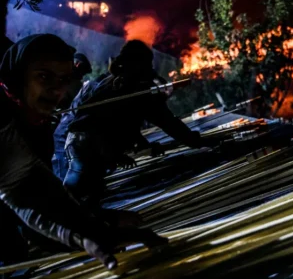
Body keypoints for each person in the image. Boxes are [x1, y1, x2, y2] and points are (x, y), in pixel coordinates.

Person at [0, 34, 167, 269]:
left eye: (64, 79)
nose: (56, 89)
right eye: (43, 76)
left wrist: (94, 230)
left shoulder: (34, 126)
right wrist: (92, 229)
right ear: (18, 77)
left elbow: (31, 192)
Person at [62, 39, 204, 208]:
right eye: (147, 63)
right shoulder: (133, 88)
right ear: (139, 64)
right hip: (88, 144)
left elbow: (125, 123)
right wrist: (194, 141)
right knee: (75, 195)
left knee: (88, 194)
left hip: (81, 142)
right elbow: (166, 121)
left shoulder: (112, 81)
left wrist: (143, 145)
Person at [52, 52, 93, 179]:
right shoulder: (71, 84)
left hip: (66, 127)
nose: (81, 76)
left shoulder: (74, 84)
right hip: (62, 128)